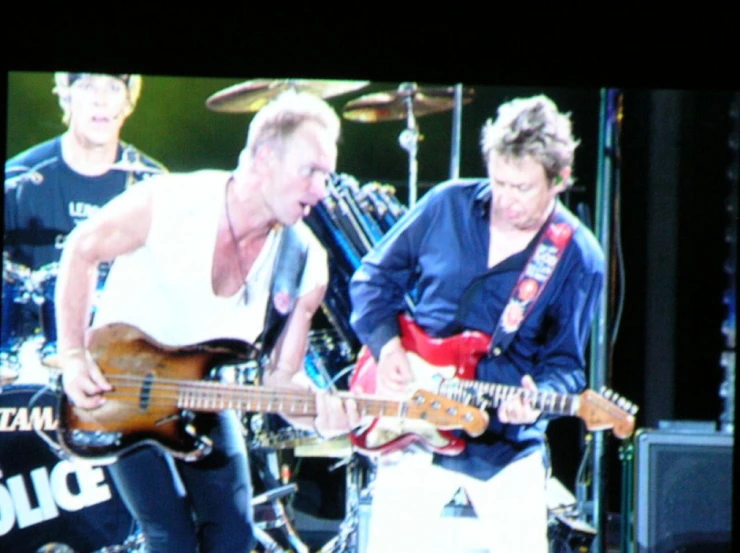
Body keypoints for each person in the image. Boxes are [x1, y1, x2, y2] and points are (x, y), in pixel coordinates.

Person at [53, 89, 357, 553]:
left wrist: (323, 416)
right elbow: (81, 248)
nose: (321, 189)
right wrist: (74, 356)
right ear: (264, 159)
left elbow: (281, 380)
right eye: (310, 171)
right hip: (122, 389)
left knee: (234, 537)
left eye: (326, 176)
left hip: (205, 399)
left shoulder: (306, 262)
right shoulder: (172, 200)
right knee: (170, 538)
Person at [348, 94, 606, 553]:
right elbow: (372, 280)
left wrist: (536, 398)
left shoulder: (579, 256)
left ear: (559, 180)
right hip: (415, 430)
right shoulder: (447, 205)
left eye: (521, 187)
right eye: (498, 181)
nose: (505, 199)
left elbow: (566, 363)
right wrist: (387, 347)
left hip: (504, 449)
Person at [3, 72, 166, 383]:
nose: (100, 99)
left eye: (114, 87)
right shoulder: (17, 181)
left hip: (123, 362)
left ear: (128, 101)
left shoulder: (153, 185)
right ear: (66, 96)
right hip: (30, 363)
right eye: (87, 86)